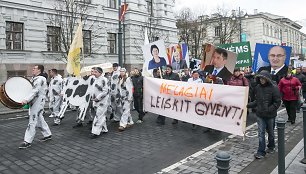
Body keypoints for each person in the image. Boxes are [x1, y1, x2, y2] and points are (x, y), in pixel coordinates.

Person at [247, 70, 281, 159]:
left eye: (263, 78)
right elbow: (256, 101)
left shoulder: (274, 87)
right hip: (260, 115)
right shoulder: (258, 87)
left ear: (267, 79)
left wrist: (269, 109)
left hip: (270, 115)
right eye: (260, 78)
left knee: (270, 132)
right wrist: (248, 105)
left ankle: (271, 146)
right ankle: (261, 151)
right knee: (261, 133)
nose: (262, 80)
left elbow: (277, 102)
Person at [20, 64, 52, 149]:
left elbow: (35, 90)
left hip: (38, 102)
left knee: (32, 120)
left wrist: (26, 99)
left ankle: (27, 141)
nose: (33, 69)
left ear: (39, 70)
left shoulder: (41, 79)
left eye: (35, 68)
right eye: (33, 68)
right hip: (34, 102)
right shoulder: (34, 78)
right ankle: (47, 134)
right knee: (39, 118)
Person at [90, 67, 110, 138]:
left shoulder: (104, 80)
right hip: (95, 101)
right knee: (101, 116)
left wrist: (98, 98)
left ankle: (95, 132)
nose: (94, 73)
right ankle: (104, 129)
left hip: (102, 102)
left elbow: (105, 91)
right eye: (93, 72)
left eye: (96, 72)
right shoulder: (94, 80)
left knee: (98, 116)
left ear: (100, 73)